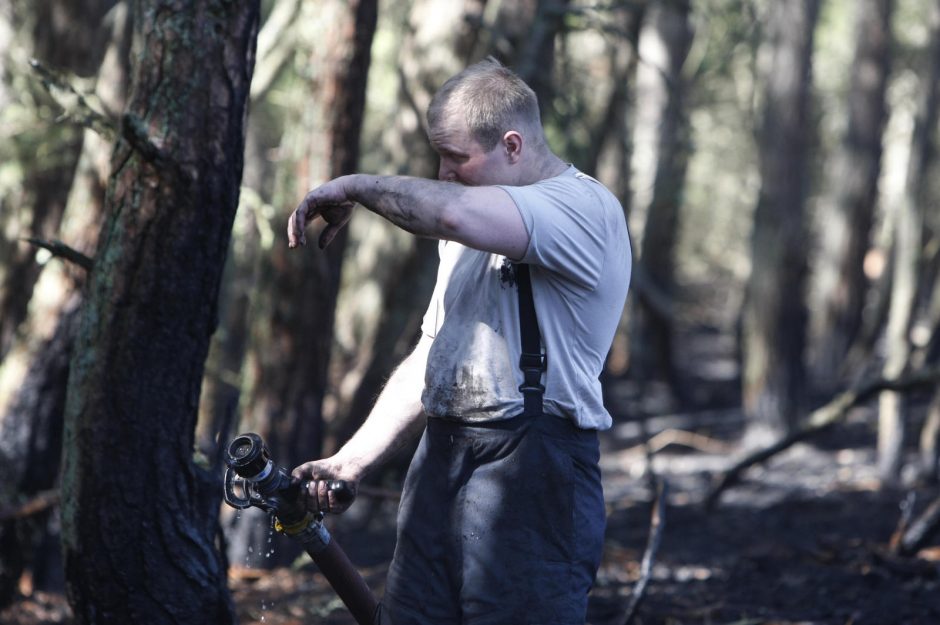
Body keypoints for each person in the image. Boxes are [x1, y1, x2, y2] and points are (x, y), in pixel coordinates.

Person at [288, 57, 631, 625]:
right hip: (441, 461)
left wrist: (354, 185)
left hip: (533, 468)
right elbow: (434, 354)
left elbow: (447, 213)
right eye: (438, 157)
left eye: (456, 158)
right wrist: (352, 461)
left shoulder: (582, 208)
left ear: (513, 145)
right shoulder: (472, 227)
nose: (443, 174)